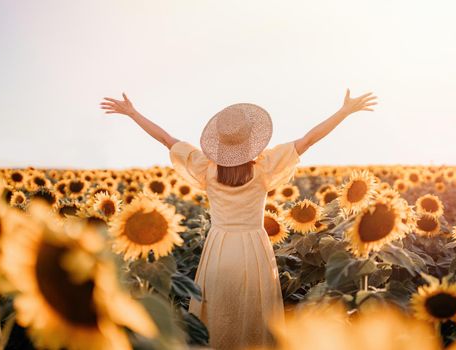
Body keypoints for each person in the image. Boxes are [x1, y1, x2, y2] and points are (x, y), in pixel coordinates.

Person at [99, 89, 377, 349]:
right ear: (251, 141)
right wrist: (344, 112)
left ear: (220, 143)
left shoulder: (206, 169)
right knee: (252, 314)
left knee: (218, 312)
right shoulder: (264, 168)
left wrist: (133, 113)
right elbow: (309, 139)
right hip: (253, 249)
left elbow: (166, 139)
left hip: (219, 248)